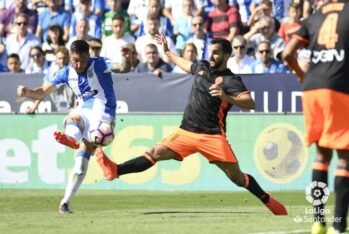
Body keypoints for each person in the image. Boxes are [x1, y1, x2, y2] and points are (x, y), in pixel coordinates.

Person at [96, 34, 288, 216]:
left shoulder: (231, 80)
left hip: (212, 136)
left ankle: (266, 199)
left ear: (227, 55)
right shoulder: (202, 67)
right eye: (210, 51)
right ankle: (115, 170)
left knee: (237, 178)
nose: (211, 55)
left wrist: (226, 96)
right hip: (185, 131)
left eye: (216, 52)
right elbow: (185, 64)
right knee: (154, 153)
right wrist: (167, 51)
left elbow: (249, 102)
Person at [16, 39, 132, 214]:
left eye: (83, 61)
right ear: (70, 57)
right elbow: (42, 91)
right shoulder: (65, 72)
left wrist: (127, 58)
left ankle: (87, 141)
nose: (78, 65)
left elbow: (123, 68)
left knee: (100, 135)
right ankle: (65, 203)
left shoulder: (100, 64)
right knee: (79, 162)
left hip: (104, 111)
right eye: (75, 60)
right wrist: (28, 93)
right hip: (85, 110)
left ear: (89, 56)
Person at [282, 0, 349, 233]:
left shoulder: (313, 18)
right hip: (338, 87)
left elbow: (287, 53)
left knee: (321, 155)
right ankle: (338, 225)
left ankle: (318, 221)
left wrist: (302, 76)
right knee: (345, 157)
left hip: (311, 89)